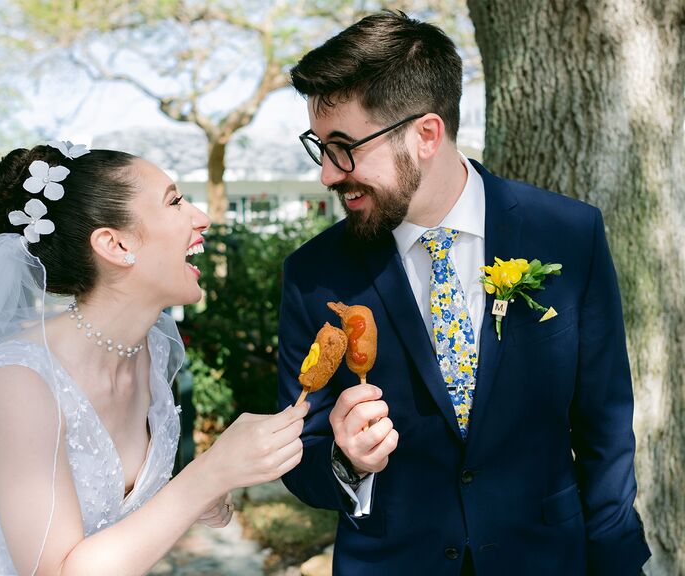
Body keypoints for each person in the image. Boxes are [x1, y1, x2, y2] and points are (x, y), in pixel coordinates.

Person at [277, 11, 650, 576]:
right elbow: (299, 457)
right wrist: (344, 461)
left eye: (344, 147)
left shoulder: (570, 236)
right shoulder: (314, 274)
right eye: (320, 147)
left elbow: (605, 428)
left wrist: (619, 564)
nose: (328, 175)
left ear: (426, 134)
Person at [0, 142, 308, 576]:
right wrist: (207, 476)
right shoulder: (19, 383)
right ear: (115, 244)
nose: (202, 218)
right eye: (175, 202)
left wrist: (194, 498)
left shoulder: (151, 349)